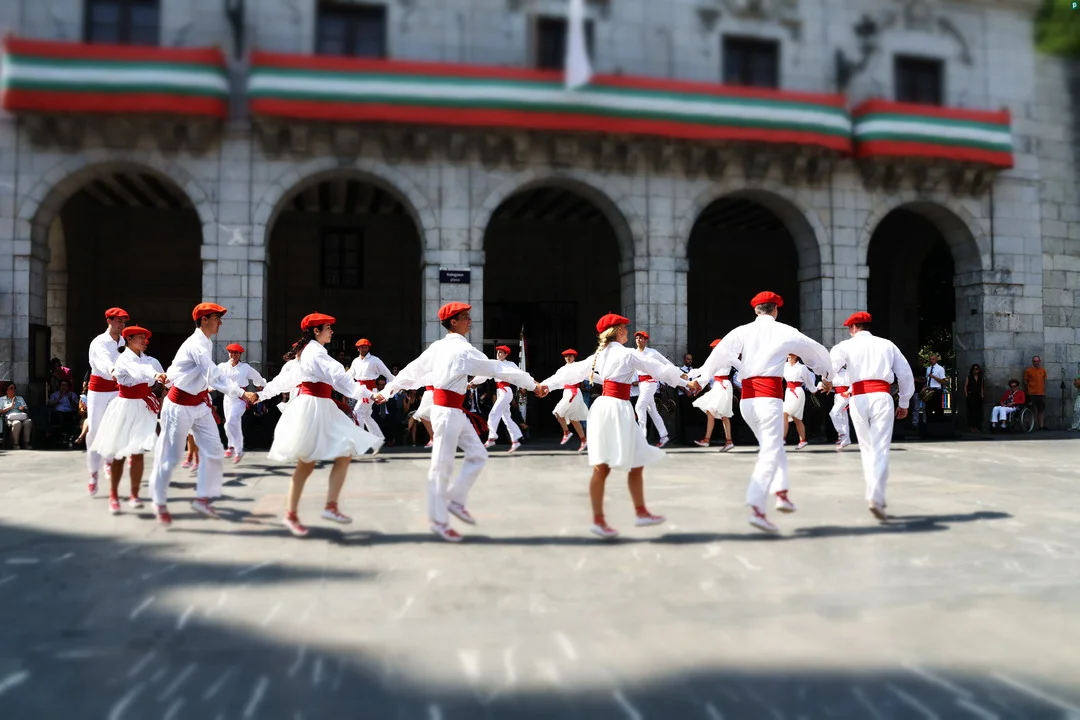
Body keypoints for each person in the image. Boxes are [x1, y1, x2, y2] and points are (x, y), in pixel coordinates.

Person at [380, 303, 543, 542]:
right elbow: (497, 369)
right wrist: (533, 384)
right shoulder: (461, 350)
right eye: (465, 317)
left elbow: (412, 371)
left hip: (454, 412)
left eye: (468, 316)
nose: (470, 320)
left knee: (477, 454)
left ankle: (455, 500)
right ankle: (439, 521)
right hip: (446, 412)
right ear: (453, 322)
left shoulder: (440, 347)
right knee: (441, 466)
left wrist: (388, 390)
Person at [539, 313, 700, 538]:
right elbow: (659, 369)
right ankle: (608, 518)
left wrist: (547, 384)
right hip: (618, 408)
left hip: (605, 407)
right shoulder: (627, 354)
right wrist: (686, 382)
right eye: (625, 328)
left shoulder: (598, 356)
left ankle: (633, 513)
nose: (628, 332)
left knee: (621, 463)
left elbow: (570, 372)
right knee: (615, 465)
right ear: (619, 331)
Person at [696, 291, 832, 533]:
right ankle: (757, 507)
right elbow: (815, 351)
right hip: (768, 399)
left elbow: (719, 354)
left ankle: (781, 494)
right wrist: (827, 376)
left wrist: (702, 378)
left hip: (747, 402)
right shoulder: (785, 331)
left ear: (756, 310)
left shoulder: (741, 331)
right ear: (776, 310)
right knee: (771, 449)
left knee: (774, 446)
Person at [256, 313, 383, 537]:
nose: (332, 331)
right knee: (307, 463)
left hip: (321, 406)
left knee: (342, 454)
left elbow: (284, 382)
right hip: (313, 407)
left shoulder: (308, 352)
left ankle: (329, 506)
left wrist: (260, 395)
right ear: (316, 331)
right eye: (328, 328)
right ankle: (293, 514)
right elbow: (339, 378)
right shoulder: (315, 352)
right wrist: (369, 394)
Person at [147, 303, 259, 525]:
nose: (220, 322)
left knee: (215, 451)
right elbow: (214, 375)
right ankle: (158, 500)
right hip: (179, 405)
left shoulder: (206, 342)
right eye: (217, 318)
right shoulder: (196, 344)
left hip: (199, 404)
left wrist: (171, 377)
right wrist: (242, 393)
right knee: (170, 457)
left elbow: (189, 371)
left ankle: (203, 499)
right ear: (204, 319)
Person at [829, 312, 915, 520]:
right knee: (881, 448)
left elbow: (830, 368)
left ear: (853, 328)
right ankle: (876, 496)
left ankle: (874, 495)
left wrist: (826, 381)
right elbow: (905, 374)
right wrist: (904, 402)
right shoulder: (887, 345)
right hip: (882, 397)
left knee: (867, 448)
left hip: (858, 398)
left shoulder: (845, 346)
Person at [88, 326, 167, 515]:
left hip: (142, 407)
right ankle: (114, 495)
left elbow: (164, 378)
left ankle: (134, 494)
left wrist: (172, 380)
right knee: (119, 453)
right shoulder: (123, 359)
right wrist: (155, 376)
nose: (144, 340)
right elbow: (139, 371)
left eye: (145, 338)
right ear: (129, 339)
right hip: (124, 407)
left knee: (138, 453)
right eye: (140, 337)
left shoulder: (149, 360)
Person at [86, 307, 128, 495]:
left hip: (116, 389)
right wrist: (113, 370)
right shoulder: (99, 342)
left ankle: (109, 461)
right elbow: (103, 361)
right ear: (109, 321)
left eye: (124, 322)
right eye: (119, 321)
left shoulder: (124, 342)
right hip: (98, 390)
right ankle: (93, 473)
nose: (122, 324)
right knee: (95, 431)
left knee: (115, 427)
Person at [216, 343, 266, 463]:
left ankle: (235, 447)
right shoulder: (222, 366)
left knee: (230, 422)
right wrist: (208, 387)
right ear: (228, 353)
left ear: (240, 354)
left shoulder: (245, 367)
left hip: (241, 398)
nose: (234, 355)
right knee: (234, 423)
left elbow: (256, 377)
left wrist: (261, 385)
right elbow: (214, 378)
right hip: (228, 397)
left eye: (236, 353)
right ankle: (233, 448)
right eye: (231, 352)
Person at [471, 345, 525, 453]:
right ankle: (516, 439)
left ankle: (492, 437)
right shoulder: (494, 364)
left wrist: (526, 386)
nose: (498, 354)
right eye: (498, 352)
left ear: (506, 354)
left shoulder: (510, 365)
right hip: (500, 392)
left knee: (494, 413)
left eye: (501, 352)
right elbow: (484, 375)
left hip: (506, 391)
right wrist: (473, 382)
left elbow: (521, 375)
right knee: (506, 418)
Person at [347, 338, 396, 451]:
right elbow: (349, 375)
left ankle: (359, 442)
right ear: (358, 348)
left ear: (368, 348)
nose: (364, 349)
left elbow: (387, 374)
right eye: (362, 347)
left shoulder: (375, 360)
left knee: (357, 413)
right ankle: (377, 440)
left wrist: (395, 386)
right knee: (366, 416)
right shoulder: (355, 361)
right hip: (360, 389)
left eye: (366, 347)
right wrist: (339, 380)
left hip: (370, 390)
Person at [690, 338, 737, 452]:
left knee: (722, 413)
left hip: (723, 385)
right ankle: (714, 440)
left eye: (715, 348)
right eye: (713, 348)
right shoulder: (714, 359)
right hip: (718, 385)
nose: (713, 350)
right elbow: (705, 372)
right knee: (713, 411)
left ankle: (722, 441)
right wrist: (690, 378)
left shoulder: (728, 357)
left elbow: (741, 367)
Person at [632, 330, 675, 447]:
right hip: (641, 384)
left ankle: (641, 439)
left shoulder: (652, 352)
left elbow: (666, 362)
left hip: (650, 382)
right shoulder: (634, 353)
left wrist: (677, 373)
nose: (638, 340)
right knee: (653, 411)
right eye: (637, 338)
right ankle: (664, 435)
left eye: (641, 338)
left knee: (639, 407)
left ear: (646, 340)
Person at [552, 348, 588, 451]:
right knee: (573, 419)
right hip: (567, 392)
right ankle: (583, 440)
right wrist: (542, 386)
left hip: (574, 393)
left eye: (570, 356)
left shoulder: (578, 367)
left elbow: (590, 375)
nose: (568, 358)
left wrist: (604, 381)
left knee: (558, 412)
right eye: (566, 356)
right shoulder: (562, 369)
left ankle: (567, 432)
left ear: (574, 357)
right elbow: (554, 380)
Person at [782, 354, 819, 449]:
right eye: (788, 355)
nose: (788, 356)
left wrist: (814, 389)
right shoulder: (785, 365)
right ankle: (803, 440)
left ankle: (782, 439)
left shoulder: (802, 368)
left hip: (797, 393)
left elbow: (809, 382)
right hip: (788, 393)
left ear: (796, 356)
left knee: (784, 414)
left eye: (790, 355)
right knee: (796, 418)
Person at [47, 379, 81, 445]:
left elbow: (76, 406)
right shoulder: (55, 394)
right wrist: (59, 398)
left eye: (65, 385)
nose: (64, 387)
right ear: (60, 386)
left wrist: (70, 399)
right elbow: (50, 404)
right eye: (62, 385)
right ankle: (59, 436)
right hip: (59, 412)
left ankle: (71, 436)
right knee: (57, 417)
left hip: (70, 412)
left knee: (73, 418)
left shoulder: (72, 394)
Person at [0, 384, 32, 448]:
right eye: (11, 388)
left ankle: (26, 443)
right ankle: (15, 444)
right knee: (17, 423)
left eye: (14, 388)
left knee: (28, 422)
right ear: (6, 390)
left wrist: (23, 409)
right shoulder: (2, 399)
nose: (14, 390)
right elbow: (0, 411)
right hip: (10, 418)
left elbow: (26, 409)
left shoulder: (20, 398)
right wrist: (10, 407)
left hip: (21, 416)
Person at [829, 365, 853, 450]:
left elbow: (853, 383)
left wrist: (848, 392)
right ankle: (846, 439)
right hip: (836, 395)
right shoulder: (833, 373)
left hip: (844, 396)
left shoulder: (847, 372)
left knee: (833, 413)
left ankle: (842, 433)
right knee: (843, 417)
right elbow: (833, 386)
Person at [1024, 355, 1048, 431]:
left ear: (1039, 361)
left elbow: (1044, 381)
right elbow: (1025, 381)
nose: (1036, 362)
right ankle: (1031, 426)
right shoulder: (1028, 370)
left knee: (1041, 410)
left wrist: (1044, 391)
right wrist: (1028, 391)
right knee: (1032, 410)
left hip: (1041, 393)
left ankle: (1041, 426)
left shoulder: (1043, 370)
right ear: (1032, 362)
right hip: (1032, 393)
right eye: (1034, 361)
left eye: (1037, 361)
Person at [923, 353, 947, 424]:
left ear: (936, 360)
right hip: (929, 389)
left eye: (933, 359)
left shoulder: (940, 369)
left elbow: (943, 381)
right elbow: (927, 379)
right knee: (928, 408)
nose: (931, 361)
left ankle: (938, 424)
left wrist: (934, 377)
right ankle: (929, 423)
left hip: (936, 390)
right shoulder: (928, 368)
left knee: (938, 407)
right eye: (930, 359)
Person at [963, 363, 985, 433]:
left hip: (978, 396)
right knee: (971, 412)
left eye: (977, 369)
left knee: (978, 412)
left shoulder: (981, 378)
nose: (976, 370)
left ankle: (976, 426)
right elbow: (965, 386)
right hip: (971, 395)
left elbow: (981, 387)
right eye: (974, 369)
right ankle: (971, 427)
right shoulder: (969, 377)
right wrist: (966, 395)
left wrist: (982, 395)